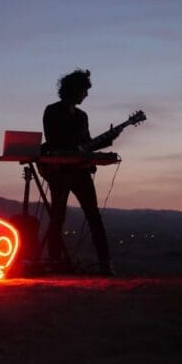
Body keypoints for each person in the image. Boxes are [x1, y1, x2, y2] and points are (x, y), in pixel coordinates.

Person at [42, 69, 120, 276]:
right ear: (74, 89)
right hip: (60, 172)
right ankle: (54, 262)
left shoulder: (82, 116)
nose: (86, 95)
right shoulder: (52, 111)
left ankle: (105, 264)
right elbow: (54, 140)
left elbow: (87, 145)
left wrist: (109, 138)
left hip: (81, 171)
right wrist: (79, 146)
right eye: (84, 90)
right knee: (58, 217)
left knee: (93, 216)